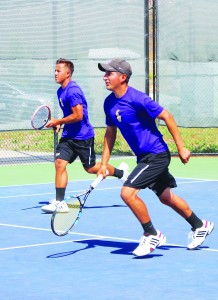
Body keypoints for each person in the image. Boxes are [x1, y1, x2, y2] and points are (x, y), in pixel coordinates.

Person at [97, 58, 214, 256]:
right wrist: (103, 163)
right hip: (144, 157)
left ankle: (152, 234)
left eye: (109, 73)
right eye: (105, 73)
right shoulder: (109, 103)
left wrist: (182, 148)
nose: (105, 77)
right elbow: (110, 134)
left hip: (156, 154)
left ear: (123, 77)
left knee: (127, 193)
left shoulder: (138, 99)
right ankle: (199, 225)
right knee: (166, 197)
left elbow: (167, 116)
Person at [41, 58, 129, 213]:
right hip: (68, 136)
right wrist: (60, 123)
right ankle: (60, 202)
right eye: (55, 70)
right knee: (60, 163)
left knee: (90, 168)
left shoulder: (73, 91)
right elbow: (69, 114)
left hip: (83, 137)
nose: (55, 73)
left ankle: (121, 173)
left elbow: (78, 116)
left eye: (58, 71)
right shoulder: (60, 91)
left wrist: (58, 121)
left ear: (67, 74)